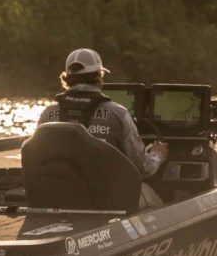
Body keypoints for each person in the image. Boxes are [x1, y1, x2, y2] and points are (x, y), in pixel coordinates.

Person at [36, 48, 168, 207]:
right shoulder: (118, 113)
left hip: (59, 197)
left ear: (66, 80)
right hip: (106, 200)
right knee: (153, 198)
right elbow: (143, 169)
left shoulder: (47, 114)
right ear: (99, 79)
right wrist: (158, 154)